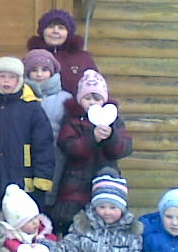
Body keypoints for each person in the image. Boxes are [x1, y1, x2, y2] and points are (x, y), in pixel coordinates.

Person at [52, 69, 132, 234]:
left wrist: (111, 137)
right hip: (75, 185)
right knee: (72, 226)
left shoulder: (113, 121)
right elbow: (69, 146)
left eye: (97, 98)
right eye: (87, 98)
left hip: (105, 181)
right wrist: (92, 138)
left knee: (104, 225)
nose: (92, 102)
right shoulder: (73, 120)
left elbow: (123, 148)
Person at [0, 56, 54, 209]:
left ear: (19, 79)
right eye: (2, 76)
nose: (6, 81)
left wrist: (42, 179)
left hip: (23, 182)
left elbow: (43, 147)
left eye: (11, 77)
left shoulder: (32, 108)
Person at [23, 49, 73, 209]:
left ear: (52, 72)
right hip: (26, 154)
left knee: (52, 192)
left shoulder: (65, 99)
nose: (39, 74)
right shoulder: (22, 96)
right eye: (34, 70)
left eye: (44, 69)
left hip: (56, 153)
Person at [26, 9, 98, 95]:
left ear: (69, 33)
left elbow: (97, 88)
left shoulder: (83, 58)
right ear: (42, 31)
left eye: (61, 28)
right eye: (50, 27)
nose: (55, 31)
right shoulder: (33, 57)